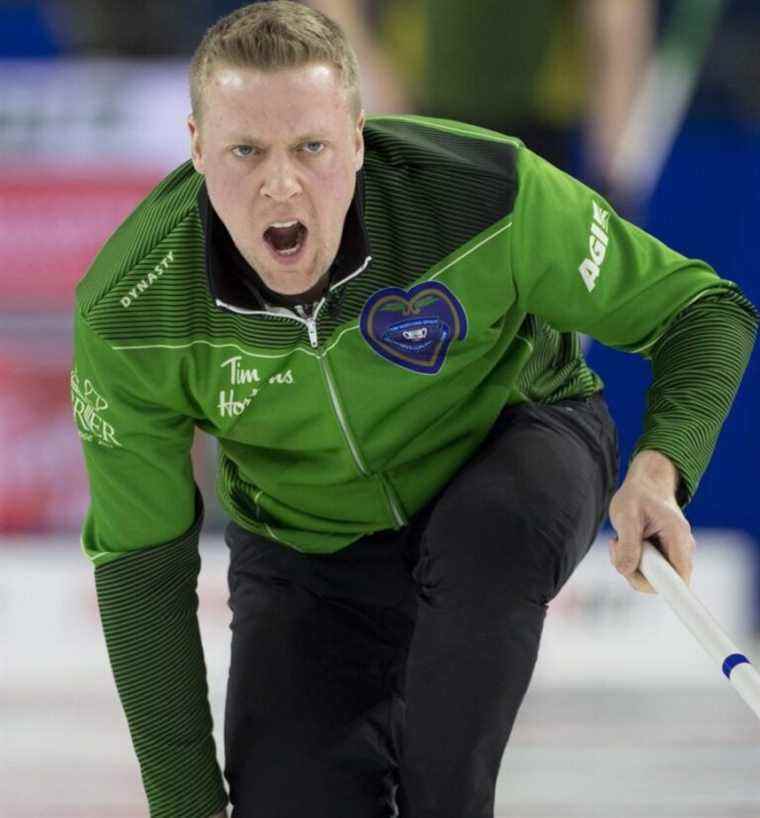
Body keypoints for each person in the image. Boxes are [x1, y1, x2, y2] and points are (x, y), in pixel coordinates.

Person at [70, 2, 758, 817]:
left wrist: (659, 467)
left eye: (312, 146)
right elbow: (141, 571)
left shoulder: (485, 192)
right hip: (308, 553)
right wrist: (183, 805)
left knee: (484, 551)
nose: (280, 183)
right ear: (195, 148)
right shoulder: (130, 311)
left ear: (360, 137)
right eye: (245, 150)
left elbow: (701, 312)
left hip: (513, 452)